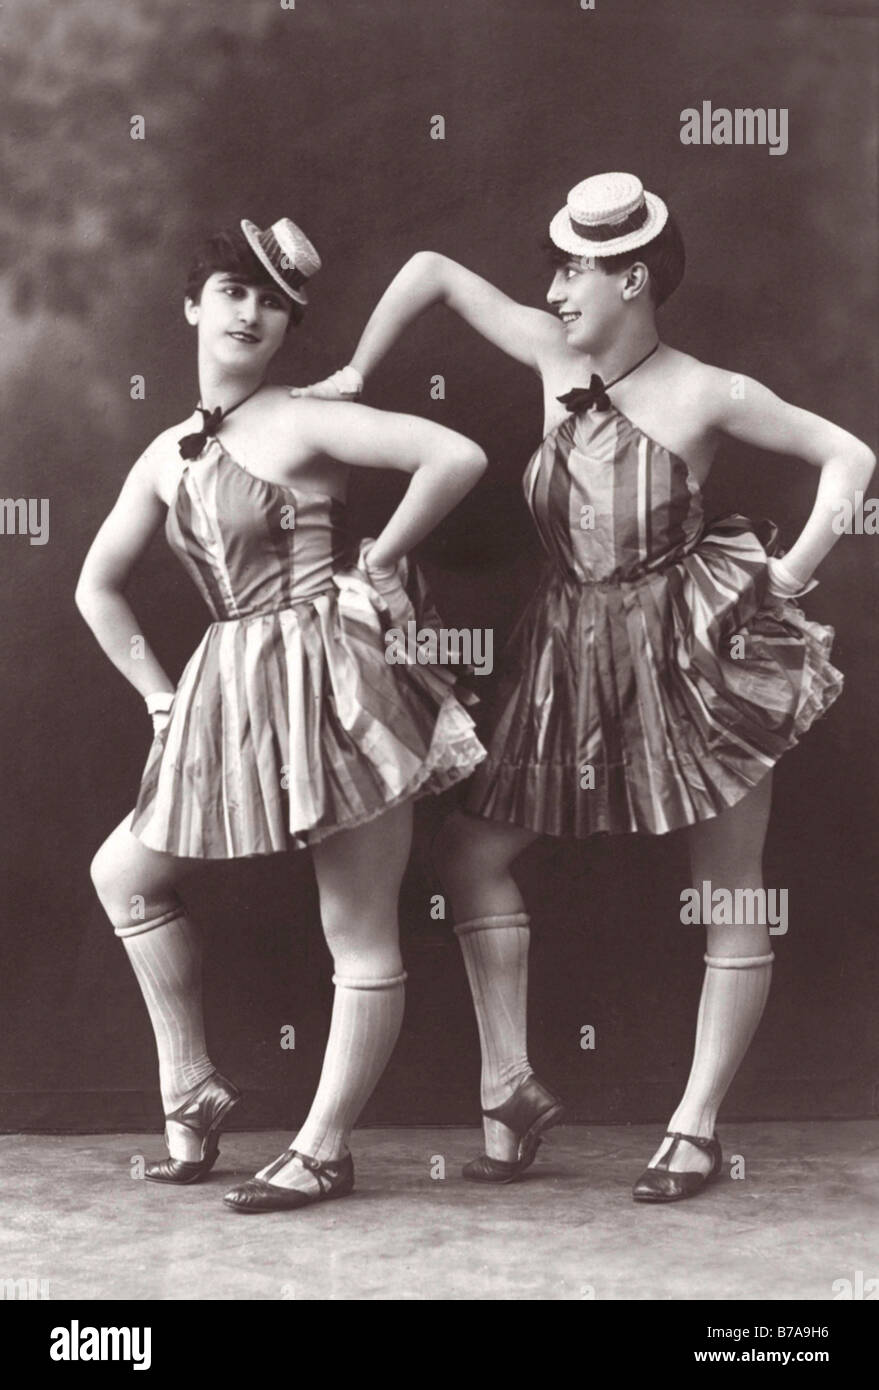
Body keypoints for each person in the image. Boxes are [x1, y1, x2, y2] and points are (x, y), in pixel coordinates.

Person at [290, 172, 875, 1200]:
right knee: (471, 853)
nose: (557, 289)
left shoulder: (707, 388)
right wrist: (351, 371)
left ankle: (694, 1126)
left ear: (633, 278)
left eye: (576, 269)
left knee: (730, 887)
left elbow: (851, 454)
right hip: (568, 651)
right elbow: (428, 271)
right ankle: (509, 1088)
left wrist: (786, 578)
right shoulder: (551, 354)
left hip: (694, 649)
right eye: (558, 267)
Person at [75, 216, 488, 1214]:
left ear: (288, 323)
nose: (252, 311)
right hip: (231, 691)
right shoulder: (164, 455)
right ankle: (192, 1088)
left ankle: (323, 1146)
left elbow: (456, 455)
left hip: (336, 679)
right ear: (193, 304)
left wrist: (379, 558)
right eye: (232, 290)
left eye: (272, 300)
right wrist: (161, 694)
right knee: (123, 872)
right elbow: (97, 586)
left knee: (356, 925)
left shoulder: (301, 418)